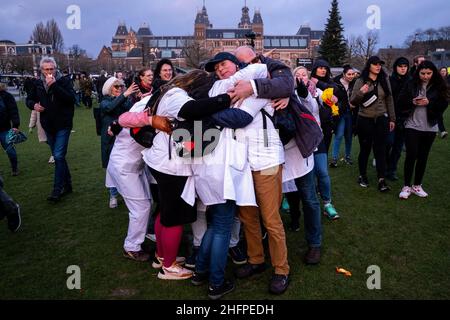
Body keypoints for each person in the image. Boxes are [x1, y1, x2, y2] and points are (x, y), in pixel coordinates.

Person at [231, 46, 292, 293]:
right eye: (240, 64)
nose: (245, 67)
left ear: (257, 60)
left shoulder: (265, 81)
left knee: (270, 217)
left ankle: (281, 269)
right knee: (247, 214)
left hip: (267, 160)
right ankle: (256, 259)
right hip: (241, 162)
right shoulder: (234, 86)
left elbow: (288, 85)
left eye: (249, 62)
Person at [106, 95, 172, 262]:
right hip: (124, 166)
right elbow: (124, 119)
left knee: (145, 204)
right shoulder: (145, 107)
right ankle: (132, 247)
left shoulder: (150, 104)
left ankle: (138, 241)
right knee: (141, 207)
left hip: (134, 165)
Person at [26, 56, 76, 201]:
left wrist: (54, 85)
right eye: (46, 69)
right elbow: (29, 99)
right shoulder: (38, 84)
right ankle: (68, 185)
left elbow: (71, 99)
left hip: (63, 124)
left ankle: (57, 189)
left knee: (58, 156)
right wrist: (33, 105)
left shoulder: (64, 81)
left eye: (51, 69)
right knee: (59, 156)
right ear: (41, 70)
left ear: (55, 68)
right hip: (48, 125)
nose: (49, 72)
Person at [294, 66, 340, 220]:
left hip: (316, 137)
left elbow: (326, 99)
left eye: (303, 74)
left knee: (322, 172)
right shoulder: (291, 94)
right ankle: (291, 200)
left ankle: (327, 203)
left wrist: (332, 99)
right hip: (299, 140)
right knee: (303, 174)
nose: (301, 77)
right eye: (297, 75)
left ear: (308, 77)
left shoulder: (316, 92)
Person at [398, 61, 448, 199]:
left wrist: (429, 102)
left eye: (429, 73)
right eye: (423, 73)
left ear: (433, 73)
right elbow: (400, 101)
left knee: (423, 157)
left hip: (430, 126)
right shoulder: (411, 84)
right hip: (412, 125)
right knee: (411, 155)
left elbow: (444, 104)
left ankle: (417, 185)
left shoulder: (439, 86)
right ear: (418, 72)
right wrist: (411, 102)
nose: (425, 76)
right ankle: (406, 186)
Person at [350, 56, 396, 192]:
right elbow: (353, 102)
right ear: (369, 65)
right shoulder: (360, 81)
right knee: (365, 149)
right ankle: (362, 175)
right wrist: (361, 92)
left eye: (380, 64)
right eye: (375, 64)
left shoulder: (384, 80)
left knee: (381, 150)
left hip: (382, 120)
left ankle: (381, 180)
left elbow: (389, 100)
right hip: (365, 120)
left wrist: (392, 119)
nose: (378, 66)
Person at [100, 77, 139, 208]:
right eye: (116, 87)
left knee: (125, 165)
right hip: (110, 139)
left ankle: (126, 192)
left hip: (124, 139)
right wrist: (125, 94)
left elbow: (133, 110)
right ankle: (113, 195)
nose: (120, 89)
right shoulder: (104, 102)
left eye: (121, 86)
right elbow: (110, 107)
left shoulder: (125, 101)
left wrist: (137, 97)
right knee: (112, 168)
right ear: (109, 88)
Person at [386, 57, 411, 181]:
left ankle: (392, 170)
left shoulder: (411, 81)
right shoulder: (390, 81)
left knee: (398, 146)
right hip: (390, 117)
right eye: (400, 66)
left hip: (404, 118)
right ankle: (384, 165)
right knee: (388, 142)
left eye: (405, 66)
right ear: (396, 67)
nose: (403, 68)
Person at [330, 65, 356, 167]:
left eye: (352, 74)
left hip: (351, 113)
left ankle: (347, 156)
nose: (351, 76)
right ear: (344, 74)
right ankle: (334, 158)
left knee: (349, 136)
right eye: (349, 74)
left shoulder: (355, 83)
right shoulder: (336, 83)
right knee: (339, 135)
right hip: (340, 113)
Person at [0, 83, 20, 176]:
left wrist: (15, 125)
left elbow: (13, 111)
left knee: (10, 150)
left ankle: (14, 168)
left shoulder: (7, 96)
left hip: (4, 128)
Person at [437, 67, 449, 138]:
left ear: (446, 72)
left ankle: (435, 129)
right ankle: (442, 131)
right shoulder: (436, 80)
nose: (443, 72)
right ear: (440, 72)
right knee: (439, 115)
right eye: (442, 71)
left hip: (445, 102)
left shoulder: (448, 79)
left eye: (445, 71)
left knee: (438, 115)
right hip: (437, 101)